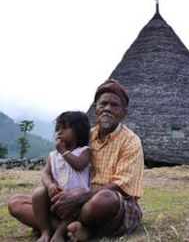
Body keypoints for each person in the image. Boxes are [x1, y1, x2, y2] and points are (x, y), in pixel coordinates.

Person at [8, 79, 145, 241]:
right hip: (72, 198)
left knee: (105, 198)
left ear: (124, 113)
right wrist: (59, 191)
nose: (107, 108)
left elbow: (120, 186)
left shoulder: (130, 141)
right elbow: (59, 162)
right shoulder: (84, 136)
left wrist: (81, 196)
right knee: (16, 203)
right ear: (96, 109)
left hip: (105, 203)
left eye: (115, 105)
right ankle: (73, 230)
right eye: (103, 104)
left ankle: (77, 230)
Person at [33, 111, 91, 242]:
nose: (59, 132)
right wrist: (49, 185)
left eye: (64, 128)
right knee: (38, 194)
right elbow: (46, 174)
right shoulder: (53, 155)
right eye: (57, 129)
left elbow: (80, 165)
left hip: (76, 200)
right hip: (57, 196)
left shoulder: (84, 151)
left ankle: (59, 233)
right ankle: (45, 231)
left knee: (74, 208)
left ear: (78, 130)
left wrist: (63, 151)